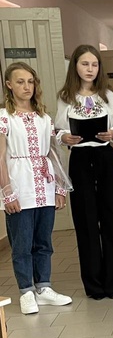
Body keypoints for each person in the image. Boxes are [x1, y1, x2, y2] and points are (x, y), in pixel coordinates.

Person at [55, 44, 113, 300]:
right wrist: (65, 137)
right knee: (86, 220)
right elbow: (58, 130)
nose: (90, 69)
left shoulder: (107, 95)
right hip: (80, 158)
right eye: (85, 64)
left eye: (94, 64)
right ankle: (94, 284)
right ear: (75, 66)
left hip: (105, 157)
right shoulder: (65, 96)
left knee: (112, 217)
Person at [0, 62, 73, 315]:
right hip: (19, 185)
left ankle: (44, 287)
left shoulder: (44, 118)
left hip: (45, 184)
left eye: (30, 81)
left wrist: (60, 186)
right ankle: (26, 291)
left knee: (43, 241)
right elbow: (0, 157)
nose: (26, 87)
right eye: (20, 82)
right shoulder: (4, 117)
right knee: (22, 243)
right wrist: (7, 191)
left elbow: (53, 153)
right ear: (9, 85)